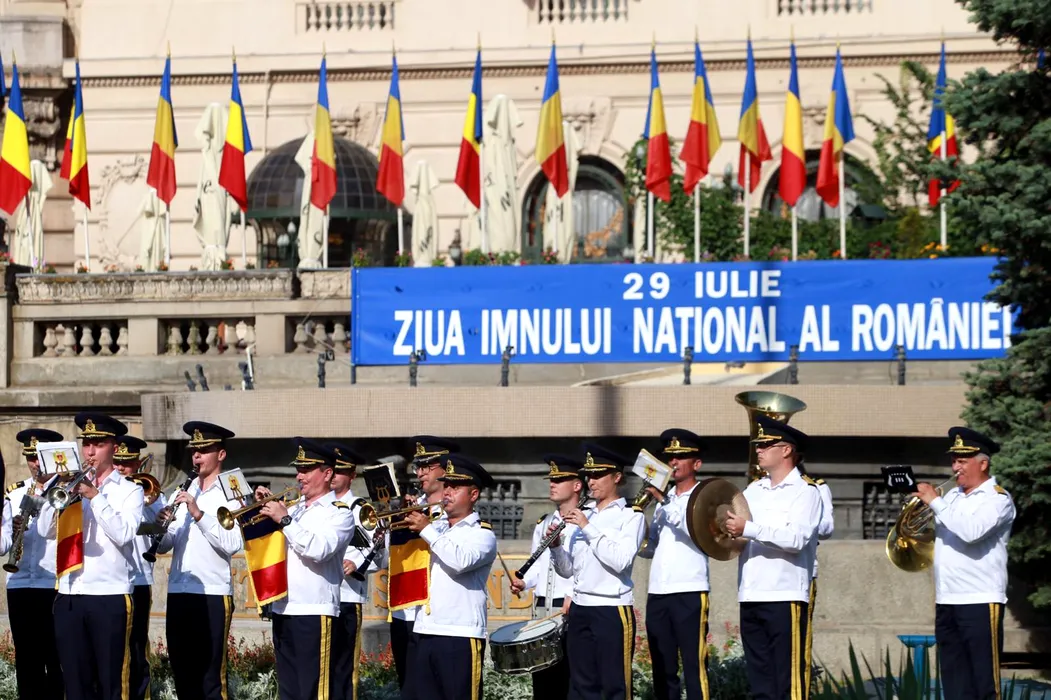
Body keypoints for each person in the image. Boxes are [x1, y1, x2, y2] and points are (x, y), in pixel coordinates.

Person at [912, 427, 1015, 700]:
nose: (956, 467)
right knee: (955, 685)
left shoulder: (998, 499)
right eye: (954, 461)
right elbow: (941, 535)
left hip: (980, 599)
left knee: (985, 684)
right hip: (947, 598)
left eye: (962, 461)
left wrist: (935, 501)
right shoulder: (952, 497)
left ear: (983, 464)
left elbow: (971, 532)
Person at [724, 415, 821, 700]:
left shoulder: (806, 492)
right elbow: (739, 534)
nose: (759, 449)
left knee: (789, 683)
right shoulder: (753, 490)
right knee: (761, 684)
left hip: (785, 595)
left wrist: (748, 528)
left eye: (766, 445)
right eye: (759, 444)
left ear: (787, 450)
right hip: (751, 594)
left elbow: (796, 539)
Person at [54, 412, 145, 700]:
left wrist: (95, 497)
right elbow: (46, 531)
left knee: (110, 684)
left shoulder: (130, 491)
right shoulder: (70, 485)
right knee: (75, 686)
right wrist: (57, 492)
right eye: (86, 444)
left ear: (114, 448)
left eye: (98, 444)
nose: (90, 452)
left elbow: (124, 533)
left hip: (109, 595)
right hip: (70, 592)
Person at [255, 438, 355, 700]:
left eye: (307, 470)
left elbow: (319, 550)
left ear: (327, 473)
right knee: (289, 692)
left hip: (315, 610)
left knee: (314, 692)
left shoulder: (339, 513)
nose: (300, 476)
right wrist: (261, 510)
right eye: (298, 470)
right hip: (283, 608)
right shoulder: (294, 509)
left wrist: (284, 519)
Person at [550, 443, 646, 700]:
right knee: (581, 685)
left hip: (611, 609)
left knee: (615, 685)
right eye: (589, 475)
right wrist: (556, 547)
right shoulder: (584, 514)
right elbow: (567, 571)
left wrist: (587, 527)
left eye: (598, 475)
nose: (591, 481)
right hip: (581, 607)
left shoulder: (631, 516)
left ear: (617, 477)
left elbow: (621, 561)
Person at [156, 421, 243, 700]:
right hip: (179, 591)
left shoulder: (233, 490)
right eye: (194, 450)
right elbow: (165, 545)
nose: (196, 456)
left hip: (212, 593)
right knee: (183, 674)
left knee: (211, 679)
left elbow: (233, 543)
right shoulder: (182, 490)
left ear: (221, 454)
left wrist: (199, 514)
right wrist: (159, 528)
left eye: (204, 450)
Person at [402, 453, 498, 700]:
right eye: (446, 486)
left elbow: (459, 562)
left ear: (473, 495)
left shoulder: (482, 534)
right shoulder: (436, 528)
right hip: (425, 628)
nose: (447, 492)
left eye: (455, 488)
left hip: (460, 633)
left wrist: (426, 529)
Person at [638, 429, 711, 700]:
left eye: (681, 457)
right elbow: (651, 548)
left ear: (697, 463)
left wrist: (663, 499)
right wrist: (637, 524)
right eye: (670, 457)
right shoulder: (664, 502)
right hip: (659, 591)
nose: (673, 462)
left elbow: (696, 531)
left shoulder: (705, 494)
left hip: (689, 590)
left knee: (694, 664)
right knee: (662, 666)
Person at [509, 454, 586, 700]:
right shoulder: (544, 523)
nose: (552, 484)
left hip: (567, 606)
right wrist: (524, 582)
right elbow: (538, 566)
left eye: (559, 480)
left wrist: (573, 594)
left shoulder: (586, 522)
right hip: (542, 607)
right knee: (543, 678)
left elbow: (586, 567)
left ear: (577, 485)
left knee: (569, 676)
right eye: (552, 479)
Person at [387, 435, 459, 690]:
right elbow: (386, 558)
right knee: (408, 687)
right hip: (403, 610)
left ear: (445, 468)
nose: (420, 473)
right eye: (418, 467)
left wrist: (425, 525)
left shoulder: (455, 513)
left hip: (432, 614)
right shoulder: (409, 508)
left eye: (427, 466)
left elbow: (452, 554)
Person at [0, 428, 65, 700]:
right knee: (27, 662)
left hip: (54, 584)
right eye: (30, 458)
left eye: (39, 457)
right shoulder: (14, 494)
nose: (35, 464)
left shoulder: (66, 490)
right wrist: (12, 529)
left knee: (56, 659)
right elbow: (3, 546)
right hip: (20, 584)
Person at [113, 434, 165, 700]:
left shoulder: (152, 494)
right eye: (117, 462)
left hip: (139, 579)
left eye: (127, 463)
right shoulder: (107, 492)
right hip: (112, 580)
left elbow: (164, 541)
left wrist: (153, 511)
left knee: (137, 646)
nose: (121, 468)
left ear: (138, 464)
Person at [327, 441, 379, 700]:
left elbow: (377, 550)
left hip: (346, 595)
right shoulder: (313, 505)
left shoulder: (361, 510)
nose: (334, 476)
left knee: (344, 667)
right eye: (332, 470)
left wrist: (356, 563)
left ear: (352, 475)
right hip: (317, 596)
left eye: (340, 471)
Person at [797, 460, 834, 697]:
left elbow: (827, 527)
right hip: (767, 579)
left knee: (800, 644)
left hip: (803, 573)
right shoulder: (760, 488)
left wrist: (802, 519)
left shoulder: (816, 487)